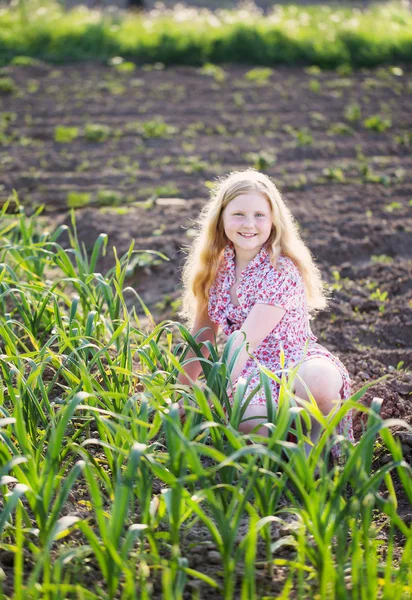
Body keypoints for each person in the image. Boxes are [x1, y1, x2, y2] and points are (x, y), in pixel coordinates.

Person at [176, 169, 354, 460]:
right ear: (221, 219)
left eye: (259, 215)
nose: (249, 224)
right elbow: (203, 335)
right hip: (251, 369)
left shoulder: (280, 271)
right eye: (238, 214)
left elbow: (245, 340)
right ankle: (279, 447)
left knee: (319, 383)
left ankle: (315, 448)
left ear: (274, 221)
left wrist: (212, 395)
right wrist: (179, 394)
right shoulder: (217, 269)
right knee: (251, 419)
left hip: (295, 358)